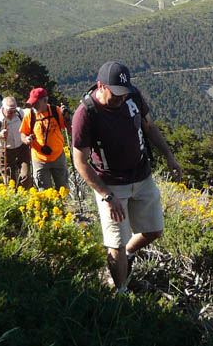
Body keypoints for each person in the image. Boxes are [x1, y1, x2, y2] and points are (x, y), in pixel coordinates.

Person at [72, 61, 182, 292]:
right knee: (116, 243)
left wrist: (169, 156)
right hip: (111, 184)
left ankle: (130, 254)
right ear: (101, 86)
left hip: (141, 175)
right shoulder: (86, 113)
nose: (121, 98)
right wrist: (107, 196)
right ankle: (121, 295)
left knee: (154, 229)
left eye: (124, 93)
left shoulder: (132, 96)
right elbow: (80, 162)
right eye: (116, 94)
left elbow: (149, 127)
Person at [20, 87, 70, 190]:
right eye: (32, 103)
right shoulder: (30, 115)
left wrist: (66, 117)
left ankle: (62, 206)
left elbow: (69, 130)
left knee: (63, 190)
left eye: (36, 103)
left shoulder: (55, 111)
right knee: (44, 192)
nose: (33, 106)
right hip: (39, 160)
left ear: (45, 101)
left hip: (58, 156)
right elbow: (23, 135)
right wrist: (26, 140)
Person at [0, 96, 31, 188]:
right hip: (5, 152)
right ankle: (14, 198)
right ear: (3, 108)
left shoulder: (19, 113)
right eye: (10, 112)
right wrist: (0, 135)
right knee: (10, 182)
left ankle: (25, 196)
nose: (12, 114)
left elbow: (33, 112)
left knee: (25, 176)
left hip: (21, 149)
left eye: (14, 111)